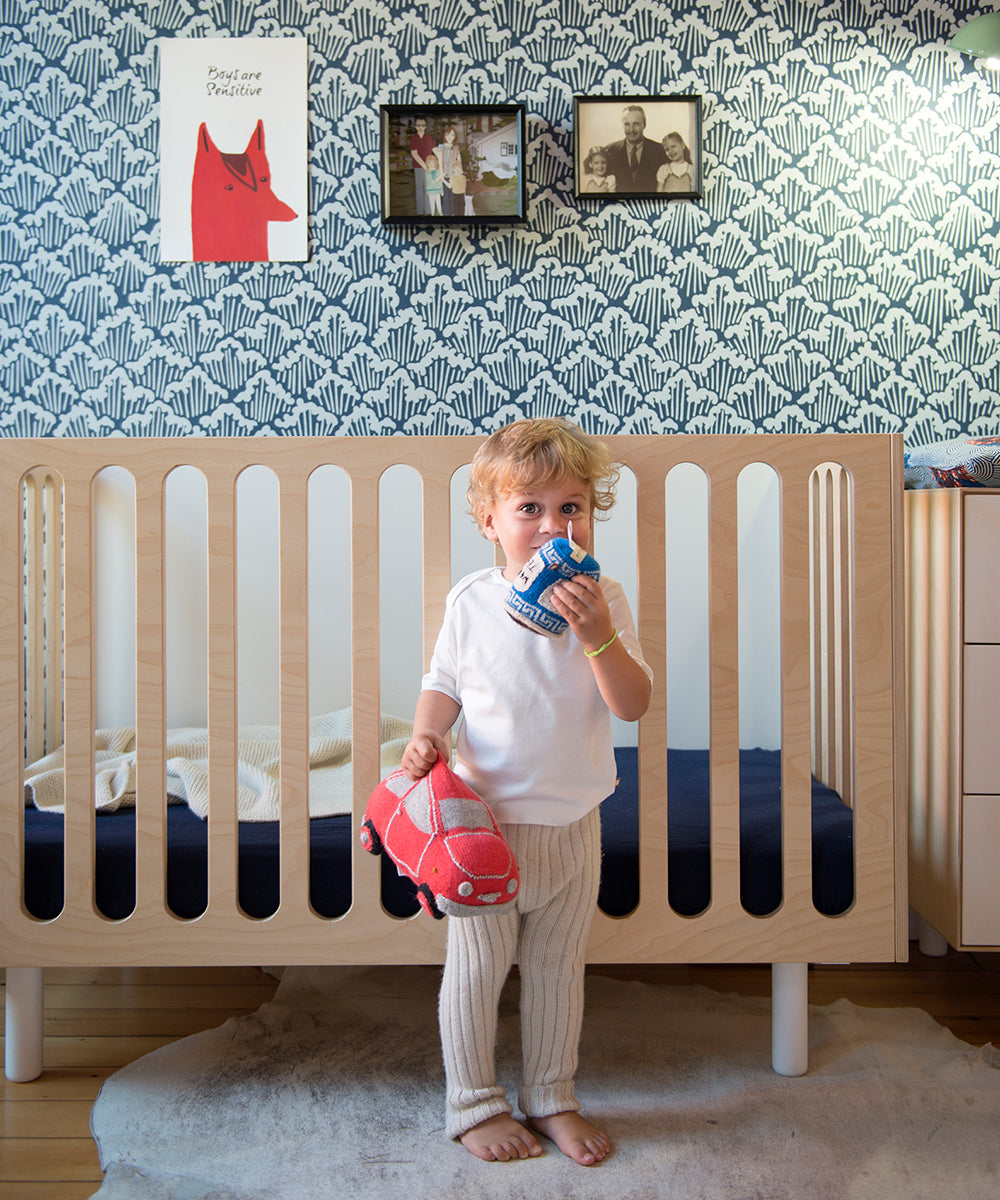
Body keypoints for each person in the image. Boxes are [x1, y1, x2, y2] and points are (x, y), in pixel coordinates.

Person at [401, 418, 653, 1167]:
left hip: (573, 824)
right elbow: (443, 684)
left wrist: (599, 634)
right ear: (489, 522)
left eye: (572, 508)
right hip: (485, 828)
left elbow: (633, 703)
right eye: (530, 509)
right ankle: (474, 1103)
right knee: (477, 970)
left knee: (556, 972)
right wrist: (425, 736)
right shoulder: (471, 601)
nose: (554, 527)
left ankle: (552, 1094)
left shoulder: (601, 596)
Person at [604, 104, 667, 193]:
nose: (631, 129)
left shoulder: (660, 151)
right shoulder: (609, 151)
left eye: (636, 124)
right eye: (627, 124)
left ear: (644, 124)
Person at [408, 115, 436, 215]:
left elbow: (435, 150)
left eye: (423, 125)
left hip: (430, 167)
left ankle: (428, 212)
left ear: (425, 126)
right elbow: (414, 154)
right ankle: (420, 212)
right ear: (415, 126)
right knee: (419, 189)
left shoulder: (429, 138)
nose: (420, 127)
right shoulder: (413, 138)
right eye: (418, 125)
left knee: (428, 189)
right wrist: (424, 165)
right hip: (418, 167)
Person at [436, 124, 465, 216]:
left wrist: (460, 172)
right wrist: (441, 173)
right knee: (445, 195)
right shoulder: (441, 147)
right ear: (444, 135)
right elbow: (440, 161)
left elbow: (459, 160)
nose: (450, 137)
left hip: (453, 174)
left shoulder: (456, 147)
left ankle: (453, 213)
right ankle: (446, 214)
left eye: (452, 135)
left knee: (452, 195)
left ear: (455, 136)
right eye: (448, 134)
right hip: (444, 174)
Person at [424, 151, 444, 215]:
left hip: (437, 189)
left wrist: (442, 190)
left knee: (438, 202)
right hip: (430, 190)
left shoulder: (437, 171)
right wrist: (439, 177)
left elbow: (440, 181)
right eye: (429, 163)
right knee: (431, 203)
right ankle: (432, 214)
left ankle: (440, 213)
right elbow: (432, 180)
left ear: (436, 163)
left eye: (433, 162)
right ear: (427, 163)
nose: (431, 164)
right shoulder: (427, 172)